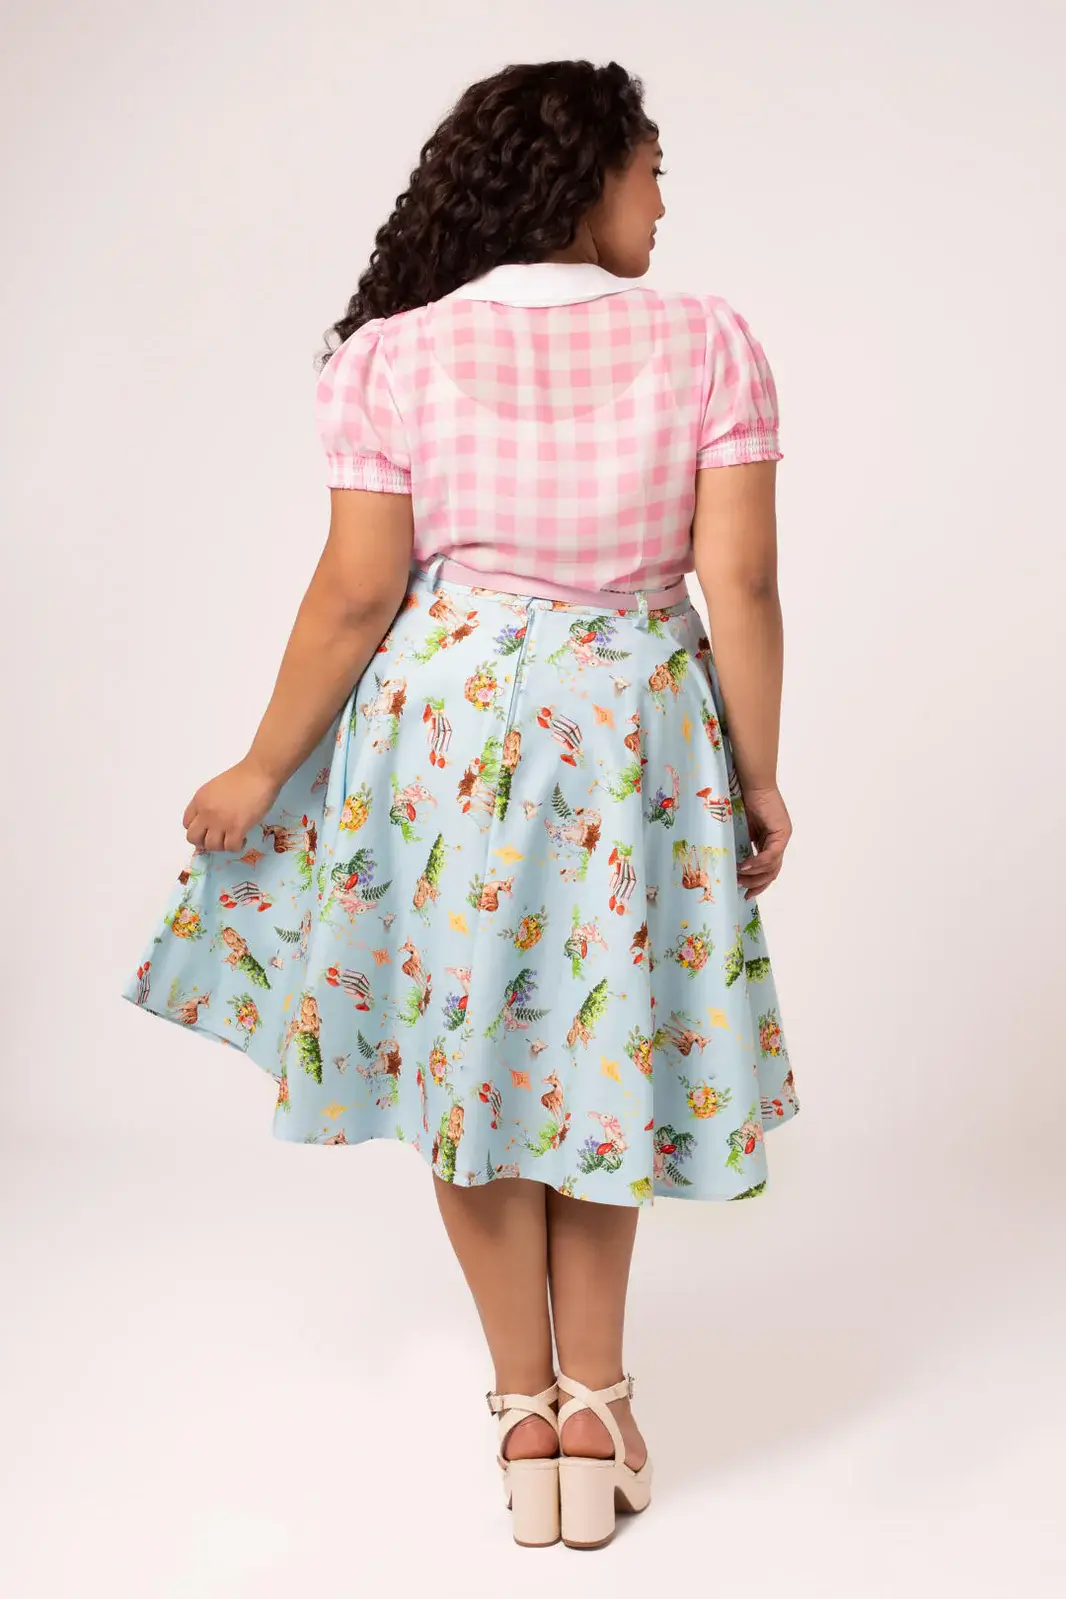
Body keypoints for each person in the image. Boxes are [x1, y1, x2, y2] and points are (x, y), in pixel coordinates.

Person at [123, 58, 800, 1550]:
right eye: (651, 172)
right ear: (586, 178)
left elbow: (357, 592)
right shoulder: (709, 339)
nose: (663, 203)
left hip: (447, 740)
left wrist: (259, 765)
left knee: (473, 1051)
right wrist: (756, 774)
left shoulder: (392, 355)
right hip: (627, 739)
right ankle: (599, 1401)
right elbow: (739, 581)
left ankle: (523, 1411)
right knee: (602, 1047)